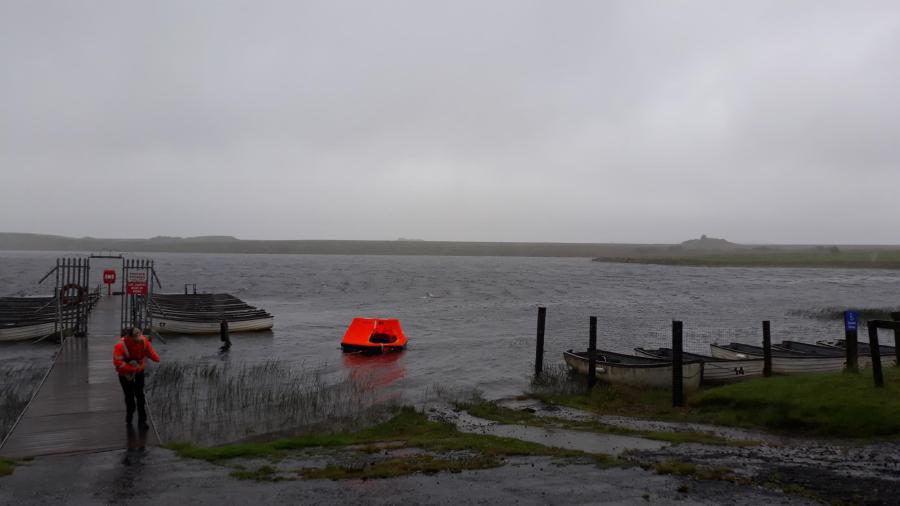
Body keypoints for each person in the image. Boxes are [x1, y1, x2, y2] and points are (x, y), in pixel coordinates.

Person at [113, 326, 160, 428]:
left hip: (139, 371)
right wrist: (132, 368)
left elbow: (153, 354)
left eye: (139, 333)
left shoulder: (144, 342)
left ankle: (142, 421)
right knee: (129, 397)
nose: (139, 336)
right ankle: (130, 414)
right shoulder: (120, 346)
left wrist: (154, 357)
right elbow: (117, 363)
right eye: (136, 334)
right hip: (125, 374)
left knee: (140, 396)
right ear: (130, 337)